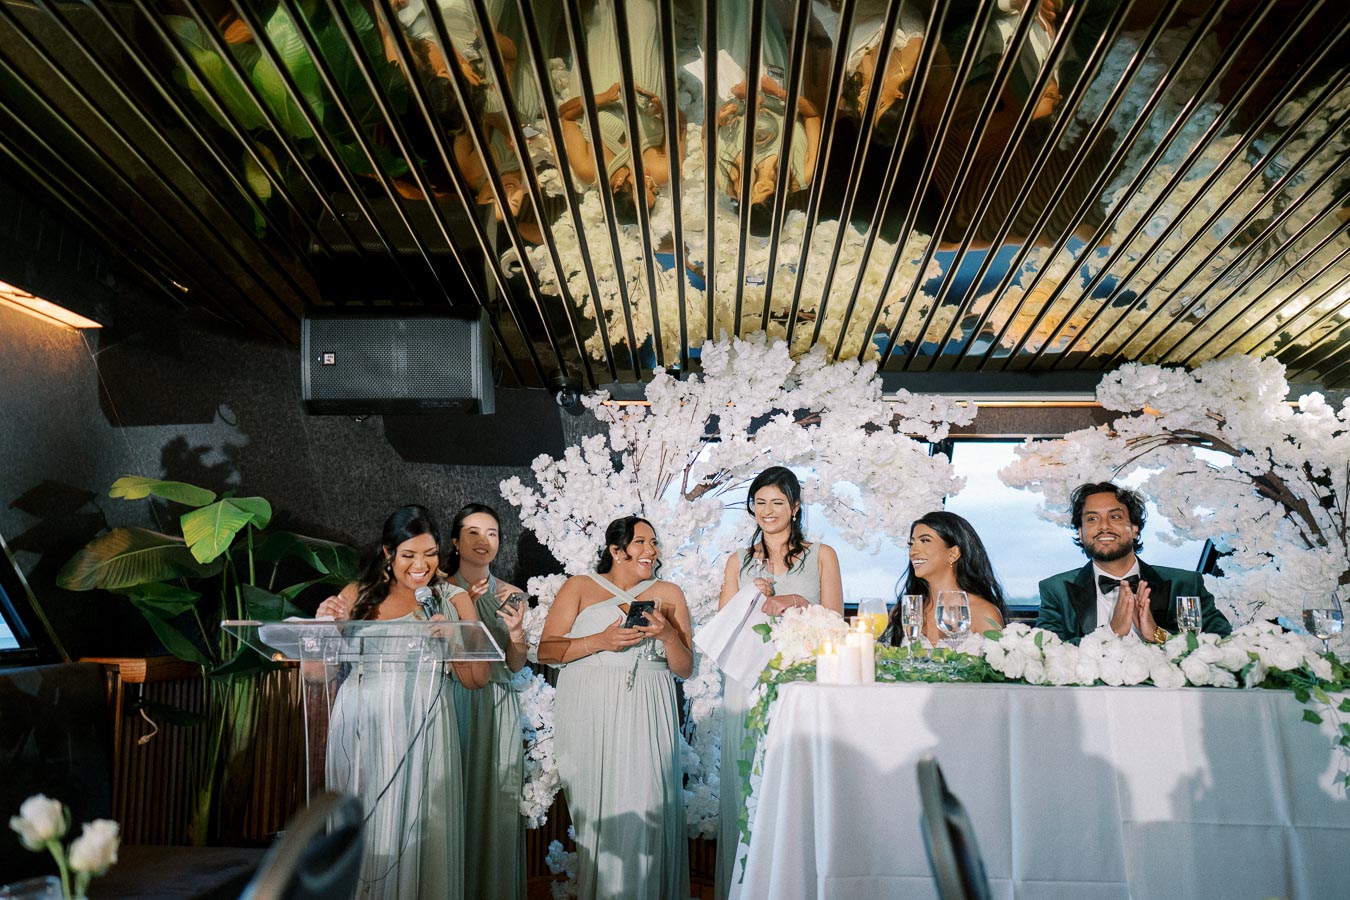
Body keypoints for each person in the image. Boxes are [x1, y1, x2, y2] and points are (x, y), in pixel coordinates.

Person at [315, 505, 489, 900]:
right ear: (388, 554)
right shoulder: (357, 595)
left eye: (430, 554)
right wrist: (324, 626)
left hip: (424, 725)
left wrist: (454, 641)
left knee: (421, 820)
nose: (421, 565)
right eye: (409, 555)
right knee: (370, 821)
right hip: (364, 725)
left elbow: (477, 680)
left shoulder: (452, 599)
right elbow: (316, 674)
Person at [537, 515, 692, 900]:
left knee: (648, 807)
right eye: (641, 542)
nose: (651, 551)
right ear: (616, 550)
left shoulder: (669, 592)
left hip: (647, 705)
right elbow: (547, 651)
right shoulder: (580, 586)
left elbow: (685, 668)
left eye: (653, 543)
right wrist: (601, 640)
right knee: (598, 817)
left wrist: (668, 634)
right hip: (588, 708)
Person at [715, 466, 843, 900]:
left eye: (777, 502)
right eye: (760, 502)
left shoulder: (821, 554)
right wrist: (750, 595)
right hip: (745, 681)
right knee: (746, 778)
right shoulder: (738, 560)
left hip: (798, 681)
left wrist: (799, 601)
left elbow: (836, 623)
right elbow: (722, 627)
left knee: (790, 780)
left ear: (796, 507)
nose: (767, 511)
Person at [442, 503, 528, 900]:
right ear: (456, 540)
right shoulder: (436, 589)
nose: (483, 541)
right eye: (473, 532)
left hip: (496, 702)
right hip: (450, 698)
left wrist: (516, 634)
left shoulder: (512, 594)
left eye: (492, 533)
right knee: (447, 799)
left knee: (493, 806)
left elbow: (514, 664)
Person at [1036, 482, 1232, 644]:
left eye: (1115, 517)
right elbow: (1048, 653)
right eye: (1092, 519)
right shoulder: (1056, 590)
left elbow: (1223, 644)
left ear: (1135, 528)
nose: (1104, 526)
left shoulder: (1186, 585)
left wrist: (1158, 635)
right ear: (1081, 532)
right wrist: (1109, 633)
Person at [883, 510, 1008, 646]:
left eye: (925, 541)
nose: (913, 552)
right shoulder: (905, 611)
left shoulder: (984, 614)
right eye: (911, 544)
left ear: (953, 553)